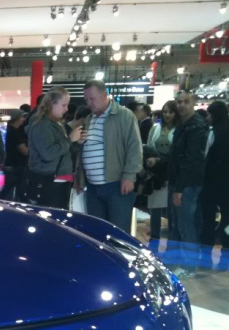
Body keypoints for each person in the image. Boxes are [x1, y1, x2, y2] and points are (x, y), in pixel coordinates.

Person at [80, 80, 143, 232]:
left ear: (104, 95)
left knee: (118, 233)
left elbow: (134, 147)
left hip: (117, 184)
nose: (89, 103)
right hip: (93, 188)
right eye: (86, 99)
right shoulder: (89, 119)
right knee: (96, 232)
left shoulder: (123, 115)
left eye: (92, 98)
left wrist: (129, 175)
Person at [168, 91, 209, 277]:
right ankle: (186, 262)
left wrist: (180, 188)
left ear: (193, 103)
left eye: (185, 102)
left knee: (186, 225)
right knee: (182, 224)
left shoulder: (195, 127)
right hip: (182, 182)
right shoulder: (183, 125)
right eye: (179, 102)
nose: (181, 105)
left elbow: (193, 161)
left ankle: (189, 266)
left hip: (188, 184)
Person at [28, 87, 85, 209]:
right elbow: (48, 153)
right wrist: (70, 140)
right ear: (52, 104)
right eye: (64, 105)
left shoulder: (54, 123)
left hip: (58, 180)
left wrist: (75, 142)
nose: (67, 109)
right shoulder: (42, 124)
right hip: (50, 182)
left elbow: (61, 150)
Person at [145, 100, 178, 242]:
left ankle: (172, 237)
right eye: (165, 112)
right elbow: (149, 146)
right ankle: (154, 237)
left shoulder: (179, 129)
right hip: (156, 172)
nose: (167, 115)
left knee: (172, 208)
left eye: (170, 112)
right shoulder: (155, 128)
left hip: (172, 171)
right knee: (155, 207)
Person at [201, 100, 229, 248]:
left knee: (208, 216)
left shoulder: (213, 133)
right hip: (227, 182)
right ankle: (225, 239)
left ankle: (208, 242)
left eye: (209, 114)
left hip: (211, 180)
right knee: (227, 214)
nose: (207, 118)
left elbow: (205, 156)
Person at [3, 109, 29, 200]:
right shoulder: (15, 132)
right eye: (22, 117)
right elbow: (24, 150)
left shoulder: (10, 130)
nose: (23, 119)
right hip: (16, 165)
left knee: (9, 188)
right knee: (17, 190)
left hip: (10, 163)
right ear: (17, 118)